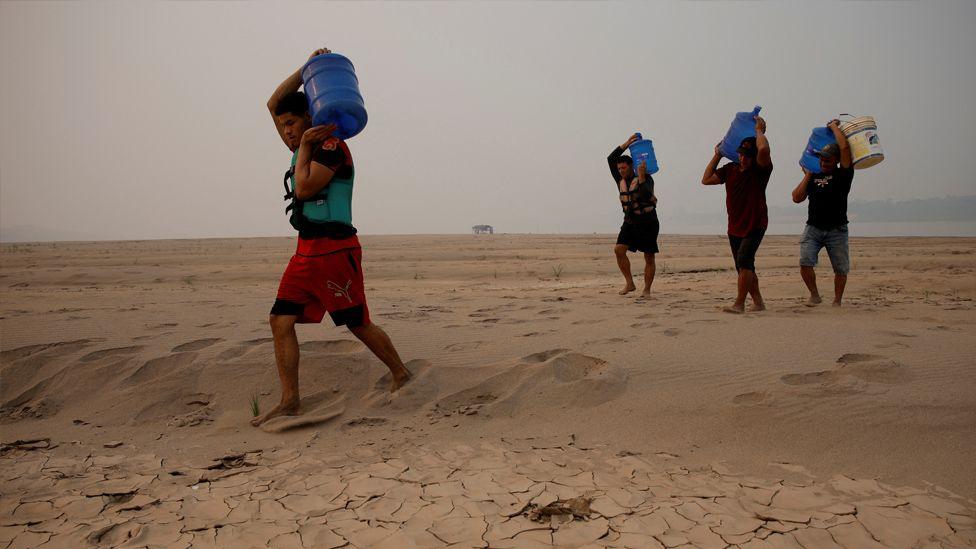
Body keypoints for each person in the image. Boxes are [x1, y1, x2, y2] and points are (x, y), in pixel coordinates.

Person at [253, 48, 412, 427]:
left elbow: (306, 190)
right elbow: (274, 101)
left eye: (293, 123)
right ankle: (290, 400)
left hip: (336, 250)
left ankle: (401, 373)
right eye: (284, 126)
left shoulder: (331, 147)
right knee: (280, 320)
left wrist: (307, 143)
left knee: (357, 322)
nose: (288, 131)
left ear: (310, 116)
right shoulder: (299, 145)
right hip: (305, 253)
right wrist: (307, 66)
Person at [701, 116, 772, 314]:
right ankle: (758, 303)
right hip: (735, 225)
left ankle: (739, 304)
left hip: (756, 223)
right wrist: (718, 154)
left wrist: (759, 131)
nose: (743, 158)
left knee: (744, 261)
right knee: (744, 267)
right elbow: (706, 179)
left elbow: (764, 150)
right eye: (741, 154)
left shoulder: (761, 170)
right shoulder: (730, 169)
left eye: (748, 155)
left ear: (754, 156)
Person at [791, 119, 854, 307]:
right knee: (805, 262)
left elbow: (844, 148)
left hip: (837, 229)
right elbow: (796, 197)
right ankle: (814, 295)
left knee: (840, 268)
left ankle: (837, 301)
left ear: (836, 161)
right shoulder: (813, 176)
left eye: (827, 159)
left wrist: (833, 127)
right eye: (821, 158)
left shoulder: (843, 175)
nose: (823, 162)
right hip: (813, 228)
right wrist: (808, 174)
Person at [607, 134, 659, 298]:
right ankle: (630, 283)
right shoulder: (619, 179)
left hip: (648, 221)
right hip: (630, 221)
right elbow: (611, 158)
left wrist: (642, 177)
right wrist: (627, 143)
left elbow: (645, 195)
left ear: (632, 166)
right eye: (619, 169)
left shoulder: (646, 177)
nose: (621, 171)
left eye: (624, 168)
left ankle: (647, 290)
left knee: (649, 257)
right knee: (618, 250)